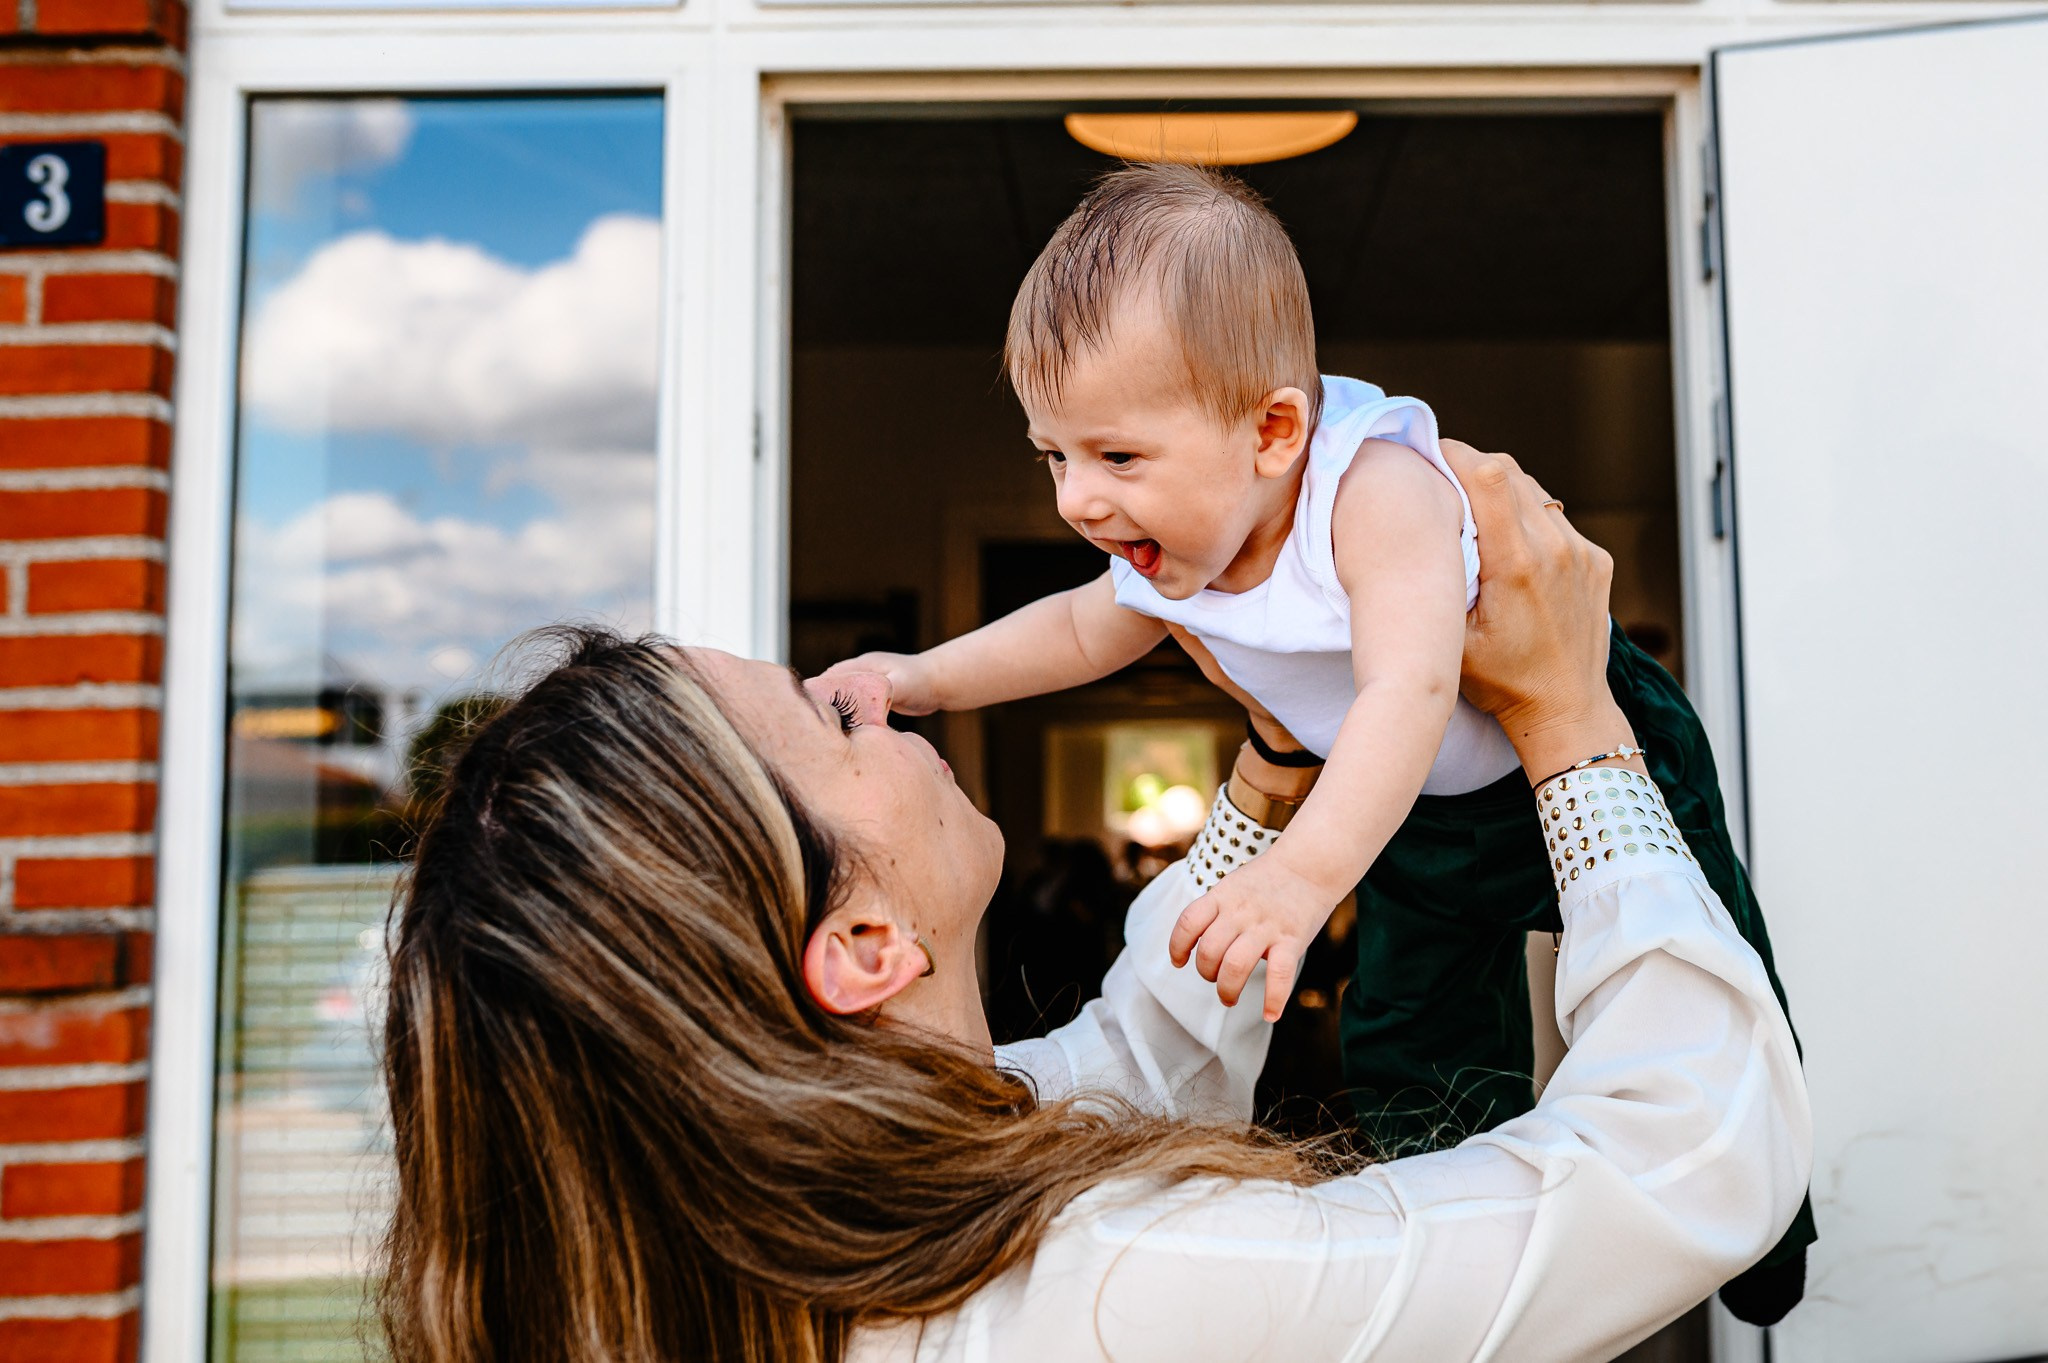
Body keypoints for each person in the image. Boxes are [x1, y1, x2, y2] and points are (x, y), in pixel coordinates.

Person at [377, 446, 1813, 1362]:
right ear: (865, 946)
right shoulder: (1126, 1291)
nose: (876, 699)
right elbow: (1682, 1166)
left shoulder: (814, 1240)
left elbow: (1127, 1063)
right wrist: (1571, 718)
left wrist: (1272, 762)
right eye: (830, 719)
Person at [821, 163, 1811, 1317]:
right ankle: (1460, 1207)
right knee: (1400, 1025)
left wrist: (1300, 876)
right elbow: (1078, 630)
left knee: (1697, 947)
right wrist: (921, 676)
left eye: (1115, 457)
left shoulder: (1369, 490)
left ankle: (1770, 1218)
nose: (1076, 502)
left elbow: (1409, 686)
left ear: (1273, 430)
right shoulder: (1173, 547)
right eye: (1053, 456)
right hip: (1421, 819)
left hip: (1571, 734)